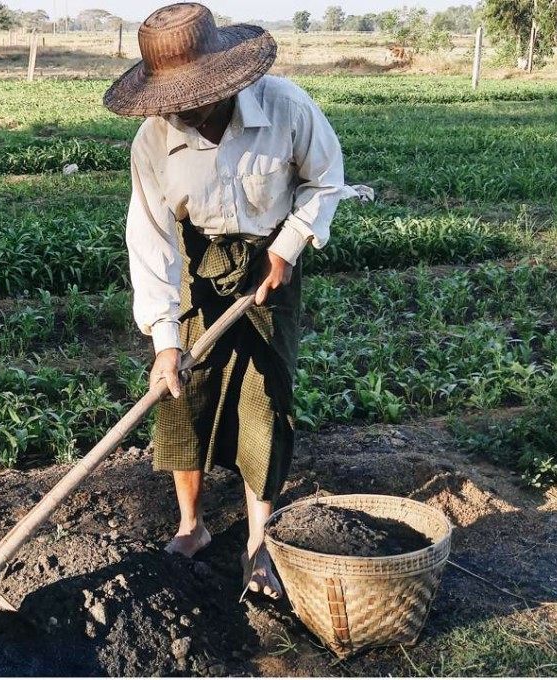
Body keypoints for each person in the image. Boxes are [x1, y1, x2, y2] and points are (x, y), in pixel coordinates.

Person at [103, 2, 370, 600]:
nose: (182, 109)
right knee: (183, 395)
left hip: (271, 259)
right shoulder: (153, 140)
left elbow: (326, 179)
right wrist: (164, 341)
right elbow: (149, 238)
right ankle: (191, 526)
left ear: (224, 79)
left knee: (264, 399)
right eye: (171, 99)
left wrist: (288, 247)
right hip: (197, 266)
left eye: (194, 97)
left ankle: (258, 543)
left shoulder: (286, 107)